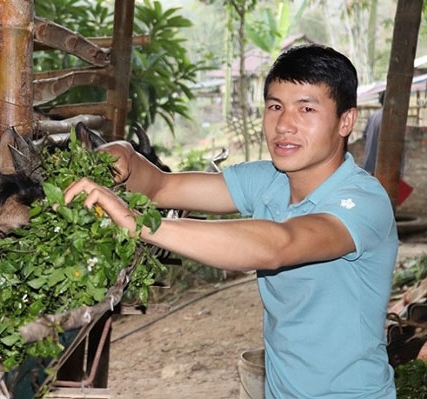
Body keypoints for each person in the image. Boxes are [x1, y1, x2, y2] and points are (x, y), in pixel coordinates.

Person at [64, 44, 398, 398]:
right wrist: (125, 157)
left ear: (346, 121)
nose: (284, 125)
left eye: (307, 108)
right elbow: (161, 185)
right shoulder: (269, 180)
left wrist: (141, 225)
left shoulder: (362, 202)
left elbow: (277, 245)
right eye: (275, 106)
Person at [362, 90, 385, 175]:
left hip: (369, 161)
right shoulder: (390, 118)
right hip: (380, 164)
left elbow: (364, 135)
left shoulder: (373, 115)